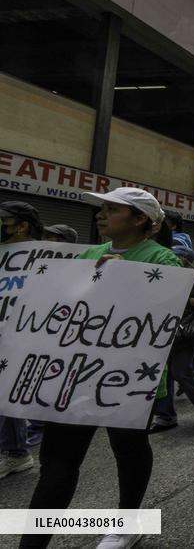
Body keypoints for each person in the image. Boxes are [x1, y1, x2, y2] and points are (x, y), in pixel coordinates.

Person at [19, 187, 181, 549]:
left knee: (128, 449)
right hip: (75, 376)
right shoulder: (88, 254)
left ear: (140, 219)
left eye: (111, 209)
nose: (100, 214)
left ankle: (127, 523)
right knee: (57, 462)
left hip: (129, 379)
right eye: (101, 208)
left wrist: (129, 279)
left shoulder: (164, 260)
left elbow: (166, 314)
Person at [148, 245, 194, 432]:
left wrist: (184, 299)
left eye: (175, 257)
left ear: (184, 259)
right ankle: (165, 416)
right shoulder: (162, 274)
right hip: (163, 328)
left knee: (181, 371)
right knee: (162, 374)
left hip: (188, 331)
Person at [0, 201, 44, 480]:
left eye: (3, 220)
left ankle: (16, 453)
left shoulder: (47, 255)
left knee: (5, 391)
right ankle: (16, 451)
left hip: (21, 333)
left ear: (21, 225)